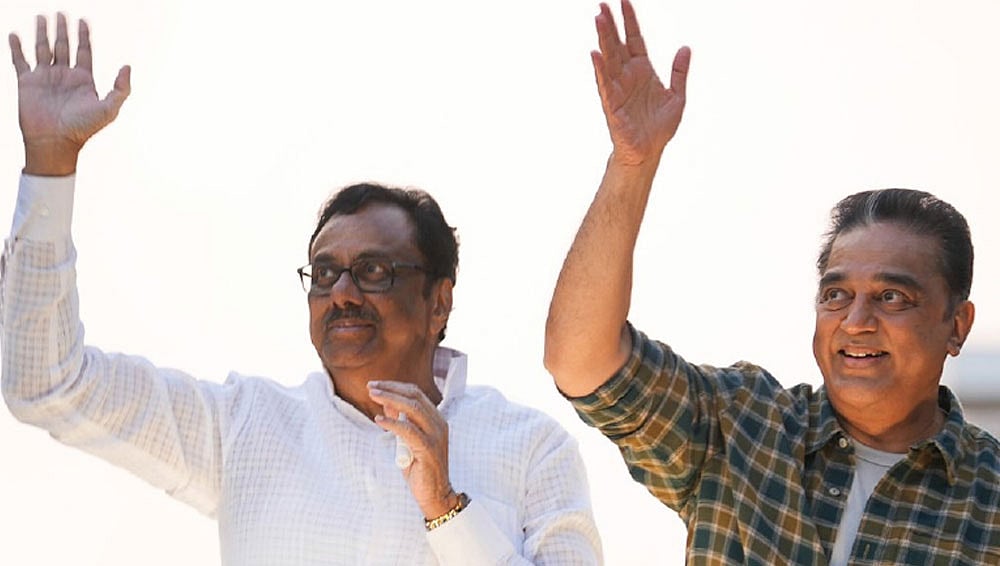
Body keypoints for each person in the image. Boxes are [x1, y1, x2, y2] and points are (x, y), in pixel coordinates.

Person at [1, 14, 602, 565]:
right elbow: (47, 384)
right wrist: (50, 165)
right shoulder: (243, 428)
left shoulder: (532, 449)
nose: (342, 293)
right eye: (324, 273)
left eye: (373, 271)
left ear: (438, 301)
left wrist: (445, 508)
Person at [544, 1, 1000, 564]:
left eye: (891, 297)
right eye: (836, 296)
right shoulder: (743, 427)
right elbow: (581, 361)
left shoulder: (990, 499)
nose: (856, 322)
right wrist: (633, 164)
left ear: (957, 325)